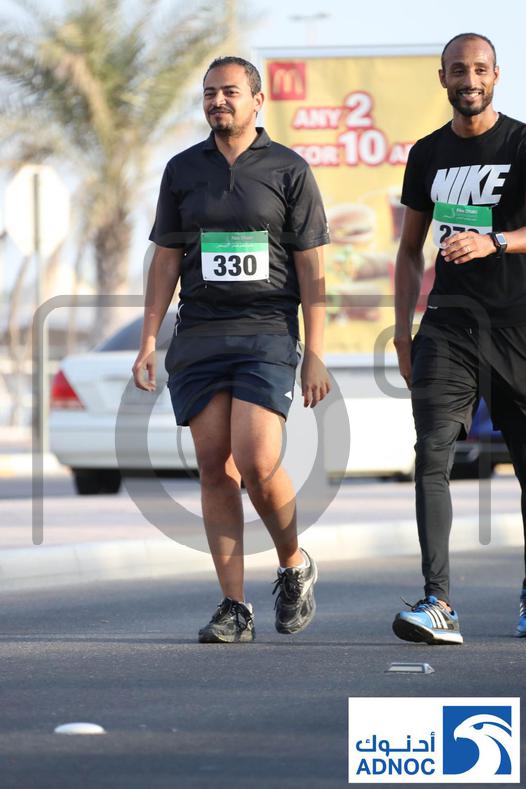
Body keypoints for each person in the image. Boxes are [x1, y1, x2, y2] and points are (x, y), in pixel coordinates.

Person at [132, 56, 330, 643]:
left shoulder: (289, 169)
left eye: (230, 92)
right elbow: (166, 259)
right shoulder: (182, 169)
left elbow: (312, 266)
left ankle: (293, 563)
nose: (218, 101)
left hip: (267, 330)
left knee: (256, 460)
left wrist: (315, 352)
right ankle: (234, 607)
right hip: (200, 334)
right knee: (215, 467)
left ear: (257, 100)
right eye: (210, 93)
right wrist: (148, 339)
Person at [393, 32, 526, 644]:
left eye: (479, 69)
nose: (468, 80)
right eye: (457, 70)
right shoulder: (427, 154)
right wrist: (403, 334)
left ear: (495, 75)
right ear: (441, 77)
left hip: (517, 326)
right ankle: (437, 601)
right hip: (447, 326)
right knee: (432, 457)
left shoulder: (521, 144)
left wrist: (496, 241)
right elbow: (408, 251)